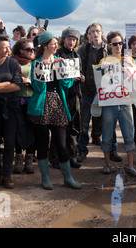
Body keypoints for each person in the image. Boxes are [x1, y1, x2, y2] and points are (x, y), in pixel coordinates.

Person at [27, 31, 81, 190]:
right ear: (45, 45)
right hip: (41, 106)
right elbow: (36, 87)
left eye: (56, 43)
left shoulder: (61, 61)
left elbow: (67, 85)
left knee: (61, 144)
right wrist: (43, 70)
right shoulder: (35, 63)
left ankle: (68, 178)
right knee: (42, 144)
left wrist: (60, 69)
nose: (56, 46)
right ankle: (45, 179)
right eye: (53, 43)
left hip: (58, 104)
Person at [98, 31, 136, 177]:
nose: (118, 46)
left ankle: (130, 165)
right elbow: (99, 83)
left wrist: (131, 67)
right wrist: (102, 70)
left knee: (129, 133)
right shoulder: (104, 61)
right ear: (110, 45)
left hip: (125, 101)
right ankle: (107, 163)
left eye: (120, 43)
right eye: (115, 44)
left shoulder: (129, 59)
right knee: (107, 133)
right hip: (110, 103)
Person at [0, 35, 23, 189]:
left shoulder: (13, 63)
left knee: (9, 142)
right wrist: (6, 84)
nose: (8, 50)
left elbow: (17, 85)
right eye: (4, 47)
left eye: (9, 47)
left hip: (11, 107)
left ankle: (7, 174)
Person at [77, 23, 109, 161]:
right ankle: (82, 150)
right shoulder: (84, 49)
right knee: (84, 122)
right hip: (88, 90)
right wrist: (80, 76)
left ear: (102, 32)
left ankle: (107, 148)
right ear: (88, 34)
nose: (95, 34)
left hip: (106, 90)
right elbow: (78, 66)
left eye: (97, 31)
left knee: (106, 120)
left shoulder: (109, 48)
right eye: (92, 32)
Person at [54, 27, 84, 168]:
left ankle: (72, 156)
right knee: (60, 128)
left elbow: (79, 72)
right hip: (61, 96)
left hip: (75, 95)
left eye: (74, 39)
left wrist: (81, 77)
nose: (71, 42)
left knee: (74, 127)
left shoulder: (76, 56)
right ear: (63, 39)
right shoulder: (58, 55)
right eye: (69, 39)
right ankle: (56, 158)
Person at [11, 38, 36, 174]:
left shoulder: (35, 63)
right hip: (17, 100)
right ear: (21, 50)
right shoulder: (13, 62)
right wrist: (18, 80)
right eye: (28, 49)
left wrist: (30, 82)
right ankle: (19, 157)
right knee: (18, 130)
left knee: (31, 130)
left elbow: (40, 80)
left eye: (33, 49)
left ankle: (29, 159)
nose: (32, 51)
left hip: (32, 100)